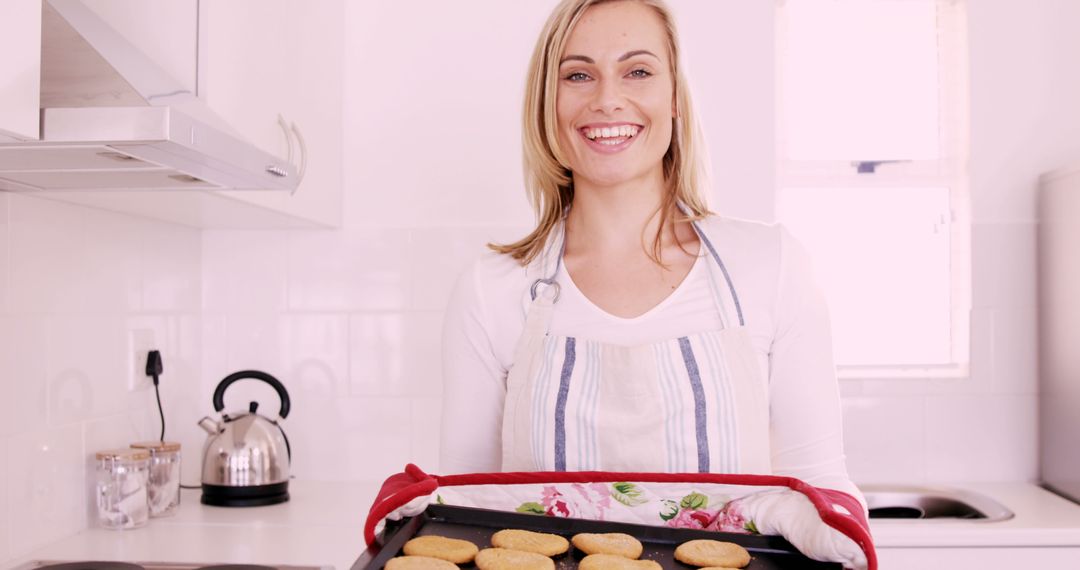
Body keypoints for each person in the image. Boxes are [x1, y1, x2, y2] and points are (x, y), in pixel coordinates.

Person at [440, 0, 863, 506]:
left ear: (674, 97)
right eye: (578, 75)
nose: (607, 100)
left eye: (637, 71)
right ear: (546, 102)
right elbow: (465, 508)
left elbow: (822, 493)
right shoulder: (492, 291)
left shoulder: (771, 267)